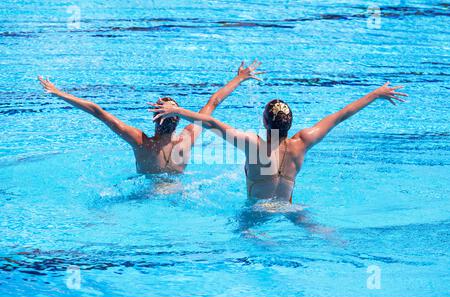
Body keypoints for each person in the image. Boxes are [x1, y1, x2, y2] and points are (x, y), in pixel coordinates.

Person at [150, 81, 407, 202]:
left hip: (257, 212)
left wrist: (178, 111)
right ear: (290, 124)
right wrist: (375, 94)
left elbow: (213, 123)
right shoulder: (303, 141)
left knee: (246, 236)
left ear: (264, 123)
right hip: (289, 208)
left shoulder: (253, 144)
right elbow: (340, 116)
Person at [37, 60, 264, 174]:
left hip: (145, 195)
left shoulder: (140, 142)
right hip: (180, 193)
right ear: (178, 119)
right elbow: (214, 101)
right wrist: (239, 78)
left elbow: (98, 112)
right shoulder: (188, 137)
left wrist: (59, 93)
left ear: (154, 119)